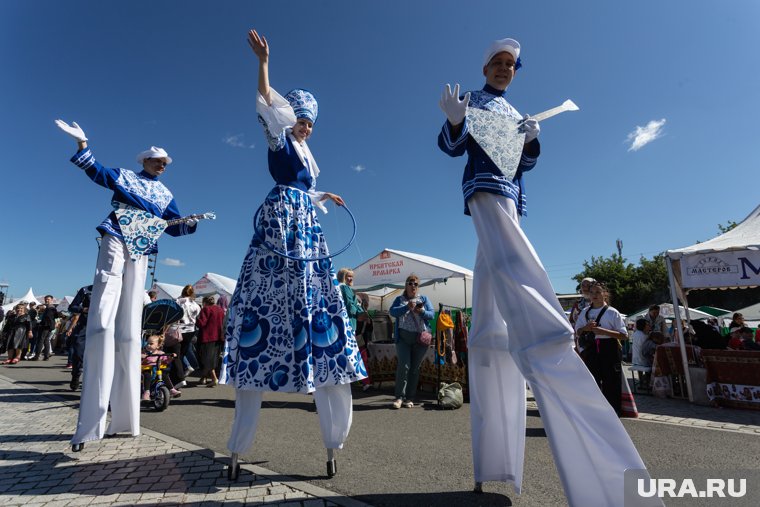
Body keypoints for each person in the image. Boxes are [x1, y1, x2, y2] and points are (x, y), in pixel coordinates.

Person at [437, 38, 652, 505]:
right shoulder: (472, 100)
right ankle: (554, 340)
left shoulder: (516, 112)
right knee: (519, 269)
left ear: (516, 71)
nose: (503, 69)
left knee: (491, 319)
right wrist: (456, 121)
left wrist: (532, 137)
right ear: (485, 66)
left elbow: (525, 163)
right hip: (486, 192)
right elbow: (451, 146)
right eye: (497, 62)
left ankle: (492, 462)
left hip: (510, 199)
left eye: (510, 65)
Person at [220, 28, 366, 480]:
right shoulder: (281, 141)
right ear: (291, 119)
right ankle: (240, 442)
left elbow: (305, 187)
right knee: (267, 298)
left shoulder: (305, 159)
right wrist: (264, 63)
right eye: (300, 118)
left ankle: (332, 437)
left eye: (309, 122)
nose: (305, 125)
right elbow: (266, 101)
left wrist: (325, 197)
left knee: (314, 296)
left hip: (304, 221)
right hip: (281, 221)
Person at [55, 119, 199, 451]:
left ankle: (126, 418)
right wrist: (82, 145)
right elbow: (97, 172)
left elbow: (173, 225)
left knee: (130, 328)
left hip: (143, 245)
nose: (162, 166)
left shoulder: (165, 193)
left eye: (166, 163)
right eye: (158, 161)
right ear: (144, 161)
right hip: (118, 233)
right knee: (103, 316)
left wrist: (190, 222)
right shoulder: (127, 176)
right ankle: (90, 424)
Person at [575, 282, 630, 414]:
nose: (594, 295)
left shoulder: (612, 312)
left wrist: (603, 331)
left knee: (611, 381)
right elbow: (577, 331)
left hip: (609, 348)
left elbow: (624, 335)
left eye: (598, 292)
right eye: (592, 292)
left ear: (605, 294)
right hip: (591, 348)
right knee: (592, 381)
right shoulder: (585, 312)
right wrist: (585, 328)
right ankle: (594, 412)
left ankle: (613, 412)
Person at [388, 274, 434, 409]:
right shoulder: (399, 299)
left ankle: (409, 398)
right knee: (404, 366)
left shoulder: (424, 299)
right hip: (403, 339)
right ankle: (399, 397)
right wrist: (406, 307)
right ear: (406, 285)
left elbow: (432, 314)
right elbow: (392, 312)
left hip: (420, 340)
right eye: (410, 283)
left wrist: (421, 311)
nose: (413, 286)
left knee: (414, 369)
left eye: (416, 284)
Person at [196, 295, 225, 387]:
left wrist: (196, 319)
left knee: (206, 359)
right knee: (213, 359)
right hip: (218, 337)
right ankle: (204, 377)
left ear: (205, 302)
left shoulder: (206, 309)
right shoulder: (220, 310)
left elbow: (202, 323)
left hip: (207, 337)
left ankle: (214, 378)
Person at [67, 285, 92, 391]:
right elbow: (72, 307)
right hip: (84, 326)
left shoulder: (114, 288)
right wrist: (84, 309)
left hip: (104, 326)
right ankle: (76, 375)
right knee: (78, 352)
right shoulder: (86, 290)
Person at [141, 335, 180, 400]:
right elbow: (139, 357)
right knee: (147, 375)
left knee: (165, 375)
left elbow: (166, 361)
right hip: (147, 369)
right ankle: (146, 392)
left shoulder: (161, 353)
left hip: (158, 369)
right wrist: (143, 357)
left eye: (151, 344)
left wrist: (170, 358)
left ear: (158, 345)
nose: (148, 345)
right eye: (147, 343)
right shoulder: (144, 353)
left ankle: (171, 389)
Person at [176, 284, 201, 384]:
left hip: (181, 329)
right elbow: (197, 316)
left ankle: (183, 371)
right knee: (184, 351)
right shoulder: (196, 305)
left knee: (177, 354)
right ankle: (186, 368)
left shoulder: (179, 301)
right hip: (191, 329)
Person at [36, 295, 59, 361]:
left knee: (41, 340)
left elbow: (50, 318)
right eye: (46, 299)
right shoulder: (51, 308)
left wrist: (43, 323)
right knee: (46, 340)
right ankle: (46, 356)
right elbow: (56, 316)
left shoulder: (50, 308)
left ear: (52, 300)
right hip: (49, 326)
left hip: (46, 326)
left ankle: (37, 356)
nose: (47, 300)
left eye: (48, 299)